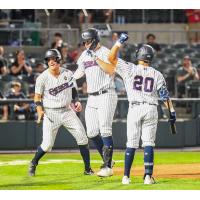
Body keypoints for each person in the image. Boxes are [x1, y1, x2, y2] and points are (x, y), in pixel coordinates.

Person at [88, 34, 176, 184]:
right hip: (151, 108)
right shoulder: (157, 74)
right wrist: (172, 112)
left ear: (138, 56)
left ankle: (126, 177)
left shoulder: (130, 68)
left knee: (131, 143)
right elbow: (164, 97)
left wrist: (119, 42)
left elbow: (111, 57)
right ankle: (148, 176)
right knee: (148, 142)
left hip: (135, 108)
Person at [28, 48, 93, 176]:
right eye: (49, 60)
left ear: (59, 60)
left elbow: (74, 91)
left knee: (83, 138)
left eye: (54, 59)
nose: (51, 62)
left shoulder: (68, 73)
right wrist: (40, 110)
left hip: (67, 110)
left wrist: (77, 101)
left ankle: (87, 169)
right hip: (51, 113)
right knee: (47, 145)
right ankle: (33, 162)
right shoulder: (42, 78)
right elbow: (37, 97)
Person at [71, 28, 117, 177]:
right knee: (91, 132)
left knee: (105, 129)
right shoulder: (84, 55)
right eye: (84, 42)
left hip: (106, 94)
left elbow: (111, 71)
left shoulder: (106, 52)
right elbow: (79, 72)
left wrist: (96, 58)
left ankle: (108, 166)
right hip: (92, 97)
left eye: (88, 41)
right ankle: (108, 159)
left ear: (95, 40)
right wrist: (68, 78)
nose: (85, 44)